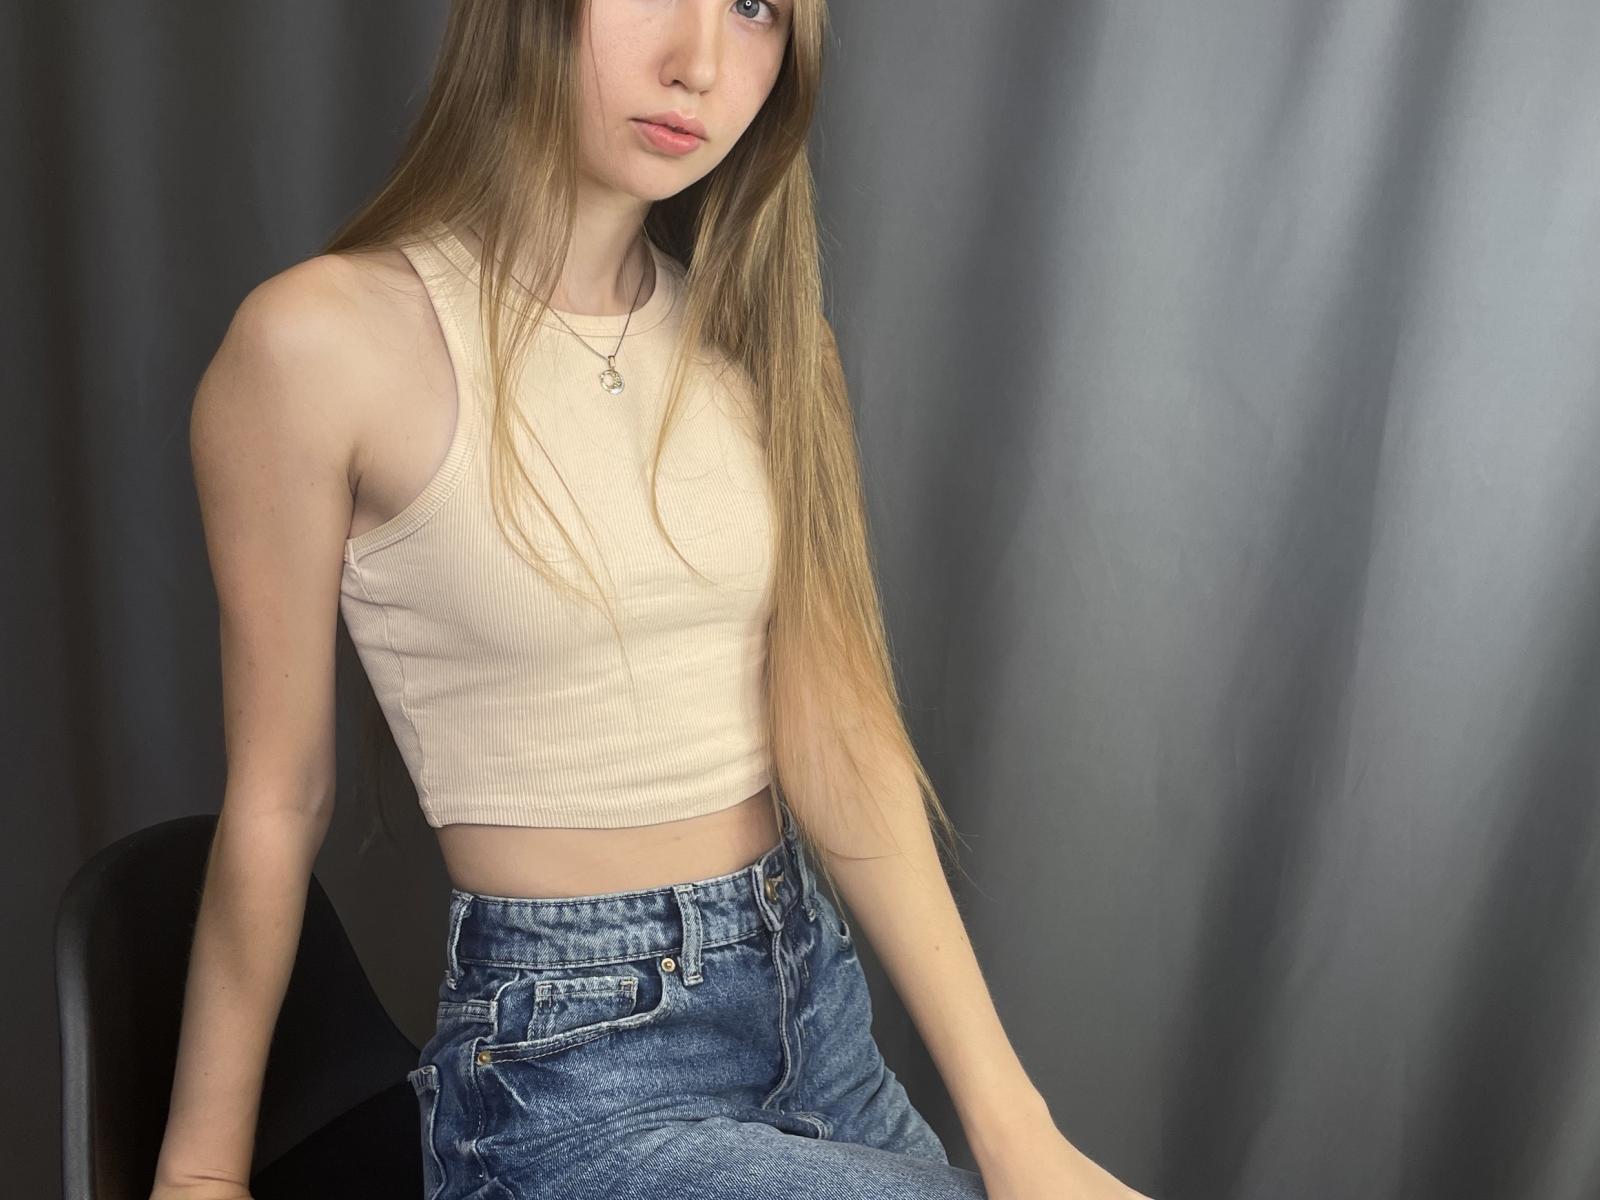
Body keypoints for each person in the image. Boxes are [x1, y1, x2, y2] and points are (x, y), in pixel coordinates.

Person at [157, 1, 1151, 1197]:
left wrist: (1015, 1128)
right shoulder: (319, 344)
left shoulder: (772, 347)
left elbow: (840, 736)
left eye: (754, 6)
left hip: (811, 1005)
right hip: (571, 1076)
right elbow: (280, 797)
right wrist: (199, 1174)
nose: (698, 64)